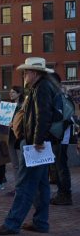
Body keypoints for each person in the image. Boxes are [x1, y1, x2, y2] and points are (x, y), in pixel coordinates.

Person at [0, 57, 57, 235]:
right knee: (41, 185)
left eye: (26, 72)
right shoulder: (42, 86)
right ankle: (41, 222)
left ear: (34, 73)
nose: (24, 75)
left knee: (25, 184)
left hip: (35, 144)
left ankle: (12, 224)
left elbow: (43, 116)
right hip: (39, 142)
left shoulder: (41, 88)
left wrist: (37, 141)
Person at [49, 72, 74, 206]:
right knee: (58, 166)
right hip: (59, 136)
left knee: (60, 166)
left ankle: (65, 195)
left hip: (59, 136)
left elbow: (63, 117)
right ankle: (62, 193)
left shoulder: (59, 96)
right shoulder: (62, 95)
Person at [6, 86, 25, 196]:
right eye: (10, 92)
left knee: (21, 164)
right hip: (10, 138)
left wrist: (14, 124)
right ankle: (18, 186)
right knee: (15, 164)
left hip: (19, 138)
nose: (11, 94)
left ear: (19, 93)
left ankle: (21, 187)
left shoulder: (23, 106)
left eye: (13, 92)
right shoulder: (9, 106)